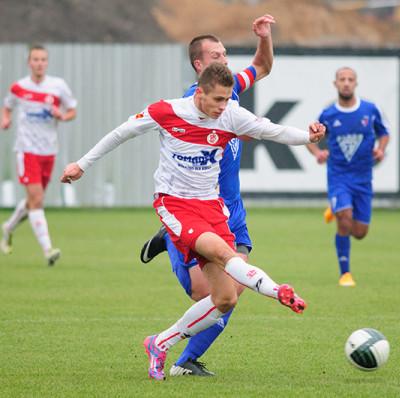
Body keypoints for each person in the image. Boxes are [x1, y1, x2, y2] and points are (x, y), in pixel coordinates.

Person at [61, 62, 325, 381]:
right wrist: (82, 164)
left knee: (225, 299)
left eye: (227, 99)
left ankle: (159, 343)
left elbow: (274, 130)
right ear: (199, 93)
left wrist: (308, 136)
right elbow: (121, 133)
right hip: (175, 205)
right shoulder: (167, 111)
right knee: (226, 256)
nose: (223, 107)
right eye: (217, 100)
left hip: (211, 207)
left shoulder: (230, 114)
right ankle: (277, 289)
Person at [139, 15, 275, 377]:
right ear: (200, 67)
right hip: (196, 209)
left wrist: (264, 36)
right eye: (217, 55)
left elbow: (261, 66)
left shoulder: (228, 91)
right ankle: (170, 237)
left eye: (226, 54)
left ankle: (185, 361)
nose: (225, 60)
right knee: (206, 295)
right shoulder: (196, 102)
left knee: (228, 295)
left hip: (232, 212)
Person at [306, 67, 390, 287]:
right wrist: (318, 152)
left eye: (350, 79)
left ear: (356, 83)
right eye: (342, 79)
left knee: (360, 232)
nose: (346, 83)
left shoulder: (370, 110)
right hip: (339, 177)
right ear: (335, 84)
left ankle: (336, 209)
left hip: (363, 178)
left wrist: (381, 149)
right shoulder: (328, 114)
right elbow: (309, 137)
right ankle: (345, 274)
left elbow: (385, 133)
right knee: (345, 220)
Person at [1, 44, 77, 265]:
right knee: (37, 200)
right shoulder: (18, 88)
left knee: (33, 200)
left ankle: (8, 227)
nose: (39, 63)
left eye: (43, 59)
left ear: (47, 62)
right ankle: (48, 250)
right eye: (35, 59)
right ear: (29, 62)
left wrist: (62, 116)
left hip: (49, 150)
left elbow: (72, 110)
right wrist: (5, 119)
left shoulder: (57, 86)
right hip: (26, 150)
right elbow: (7, 106)